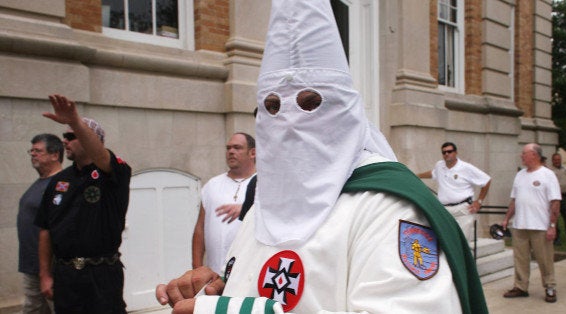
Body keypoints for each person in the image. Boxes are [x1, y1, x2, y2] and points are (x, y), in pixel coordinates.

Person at [155, 1, 487, 313]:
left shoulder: (390, 208)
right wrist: (219, 290)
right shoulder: (267, 201)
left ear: (348, 112)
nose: (287, 121)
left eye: (310, 104)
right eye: (272, 107)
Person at [35, 94, 132, 313]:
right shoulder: (59, 180)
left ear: (93, 139)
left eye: (72, 135)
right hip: (66, 276)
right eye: (65, 136)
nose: (65, 141)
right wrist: (45, 275)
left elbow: (102, 157)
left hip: (101, 276)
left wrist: (75, 121)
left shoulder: (114, 173)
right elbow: (45, 229)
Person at [502, 143, 561, 303]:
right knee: (520, 259)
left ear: (534, 155)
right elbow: (514, 200)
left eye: (524, 153)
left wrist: (552, 226)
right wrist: (507, 218)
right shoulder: (520, 175)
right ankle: (520, 286)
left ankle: (550, 287)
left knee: (545, 259)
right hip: (520, 225)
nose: (522, 156)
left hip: (540, 226)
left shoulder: (548, 175)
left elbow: (555, 202)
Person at [191, 133, 256, 271]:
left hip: (247, 273)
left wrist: (247, 208)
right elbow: (200, 229)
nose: (231, 152)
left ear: (253, 153)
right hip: (213, 274)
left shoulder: (262, 185)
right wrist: (197, 268)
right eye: (228, 148)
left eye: (237, 148)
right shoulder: (212, 185)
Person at [18, 134, 63, 314]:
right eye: (32, 151)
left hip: (51, 269)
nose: (33, 154)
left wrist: (47, 273)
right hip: (31, 266)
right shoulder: (39, 183)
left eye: (38, 151)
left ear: (54, 155)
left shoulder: (61, 184)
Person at [417, 142, 491, 241]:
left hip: (463, 210)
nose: (446, 154)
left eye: (449, 151)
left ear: (455, 152)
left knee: (462, 242)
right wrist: (417, 176)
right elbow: (433, 173)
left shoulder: (466, 168)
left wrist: (479, 201)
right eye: (444, 152)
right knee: (445, 241)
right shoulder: (439, 165)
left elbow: (486, 180)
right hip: (445, 211)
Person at [549, 153, 566, 243]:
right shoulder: (550, 170)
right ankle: (556, 237)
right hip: (555, 197)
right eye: (555, 160)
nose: (557, 161)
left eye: (558, 159)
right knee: (555, 217)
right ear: (552, 161)